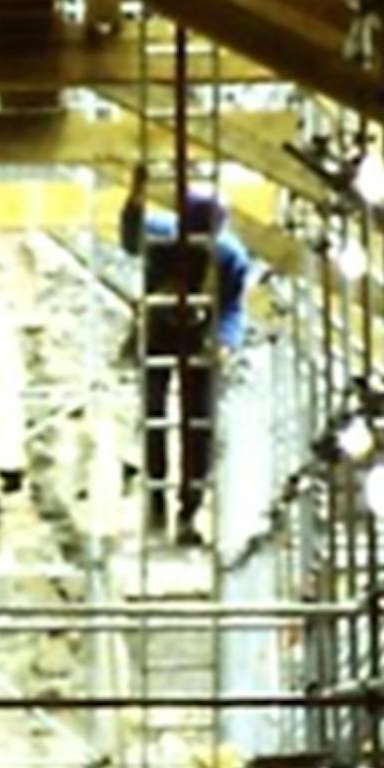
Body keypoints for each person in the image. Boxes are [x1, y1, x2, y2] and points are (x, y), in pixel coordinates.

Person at [118, 163, 253, 546]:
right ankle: (156, 499)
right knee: (154, 416)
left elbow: (232, 306)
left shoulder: (228, 256)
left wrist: (225, 343)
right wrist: (136, 198)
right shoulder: (162, 233)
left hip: (200, 337)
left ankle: (189, 509)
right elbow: (130, 241)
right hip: (159, 331)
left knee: (199, 424)